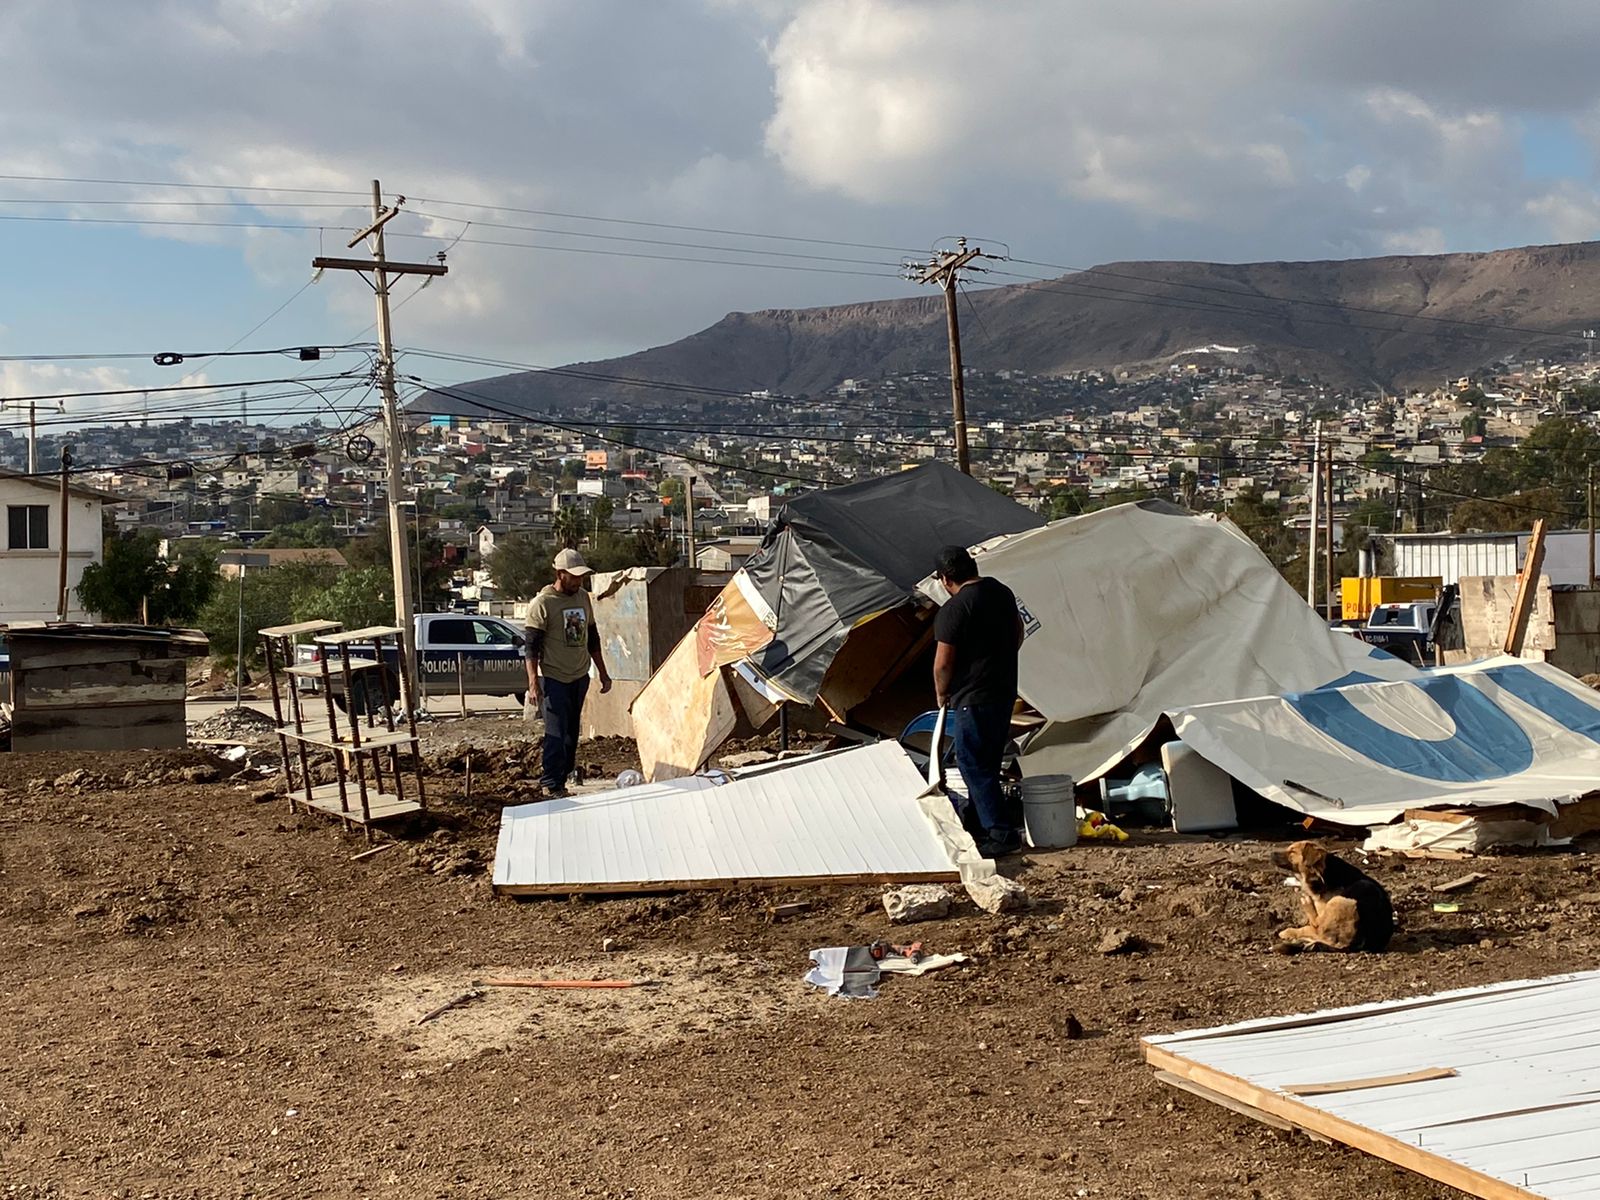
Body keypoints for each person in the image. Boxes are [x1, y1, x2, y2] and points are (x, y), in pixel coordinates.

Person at [932, 544, 1026, 857]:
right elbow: (1019, 631)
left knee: (972, 764)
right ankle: (978, 826)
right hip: (1003, 691)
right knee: (986, 763)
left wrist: (942, 692)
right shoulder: (1001, 593)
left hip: (973, 696)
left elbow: (943, 662)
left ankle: (1001, 832)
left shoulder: (955, 609)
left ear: (946, 579)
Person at [523, 547, 612, 797]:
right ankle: (550, 782)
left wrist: (603, 673)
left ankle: (562, 781)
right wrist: (533, 683)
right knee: (556, 731)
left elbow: (592, 637)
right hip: (554, 677)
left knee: (572, 732)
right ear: (560, 574)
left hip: (579, 675)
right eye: (574, 576)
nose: (578, 581)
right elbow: (531, 646)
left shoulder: (582, 597)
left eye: (581, 576)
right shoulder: (543, 603)